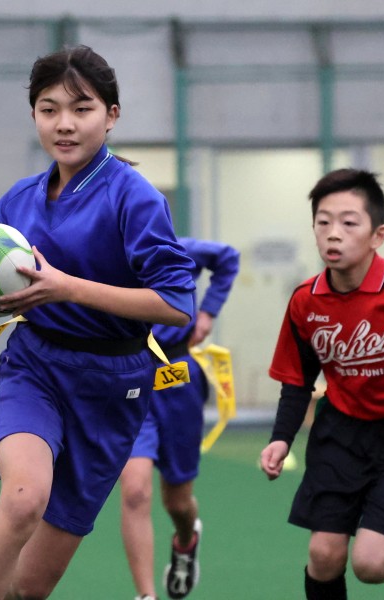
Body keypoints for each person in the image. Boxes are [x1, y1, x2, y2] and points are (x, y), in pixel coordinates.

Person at [0, 45, 196, 600]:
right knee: (23, 499)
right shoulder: (16, 202)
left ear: (112, 115)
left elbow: (177, 303)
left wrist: (68, 287)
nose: (65, 124)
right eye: (49, 109)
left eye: (82, 109)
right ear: (33, 114)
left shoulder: (135, 198)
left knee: (29, 588)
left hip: (114, 388)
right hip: (35, 368)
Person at [259, 169, 384, 600]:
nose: (334, 233)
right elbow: (297, 379)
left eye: (349, 223)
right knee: (324, 555)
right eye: (323, 222)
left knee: (370, 566)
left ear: (378, 235)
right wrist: (281, 439)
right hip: (341, 435)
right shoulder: (306, 300)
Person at [119, 238, 240, 600]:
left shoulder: (175, 247)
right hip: (130, 381)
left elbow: (228, 257)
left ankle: (186, 540)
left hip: (177, 379)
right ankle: (146, 595)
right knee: (135, 490)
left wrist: (207, 313)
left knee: (177, 502)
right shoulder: (104, 254)